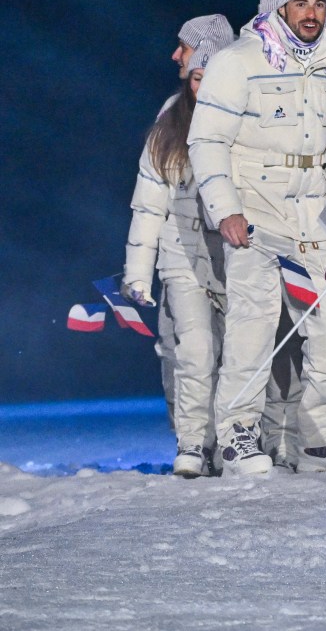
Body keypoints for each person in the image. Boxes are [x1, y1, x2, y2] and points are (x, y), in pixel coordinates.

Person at [188, 0, 326, 475]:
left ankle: (319, 440)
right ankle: (238, 436)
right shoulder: (239, 61)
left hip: (315, 219)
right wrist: (226, 210)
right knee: (253, 327)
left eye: (320, 6)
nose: (311, 14)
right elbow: (207, 140)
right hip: (256, 215)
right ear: (282, 8)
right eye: (301, 5)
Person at [124, 37, 229, 476]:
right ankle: (192, 443)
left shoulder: (246, 121)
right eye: (198, 77)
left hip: (235, 254)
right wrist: (137, 275)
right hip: (182, 254)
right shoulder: (169, 127)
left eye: (213, 78)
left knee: (235, 353)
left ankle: (230, 441)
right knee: (196, 349)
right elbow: (149, 206)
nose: (204, 87)